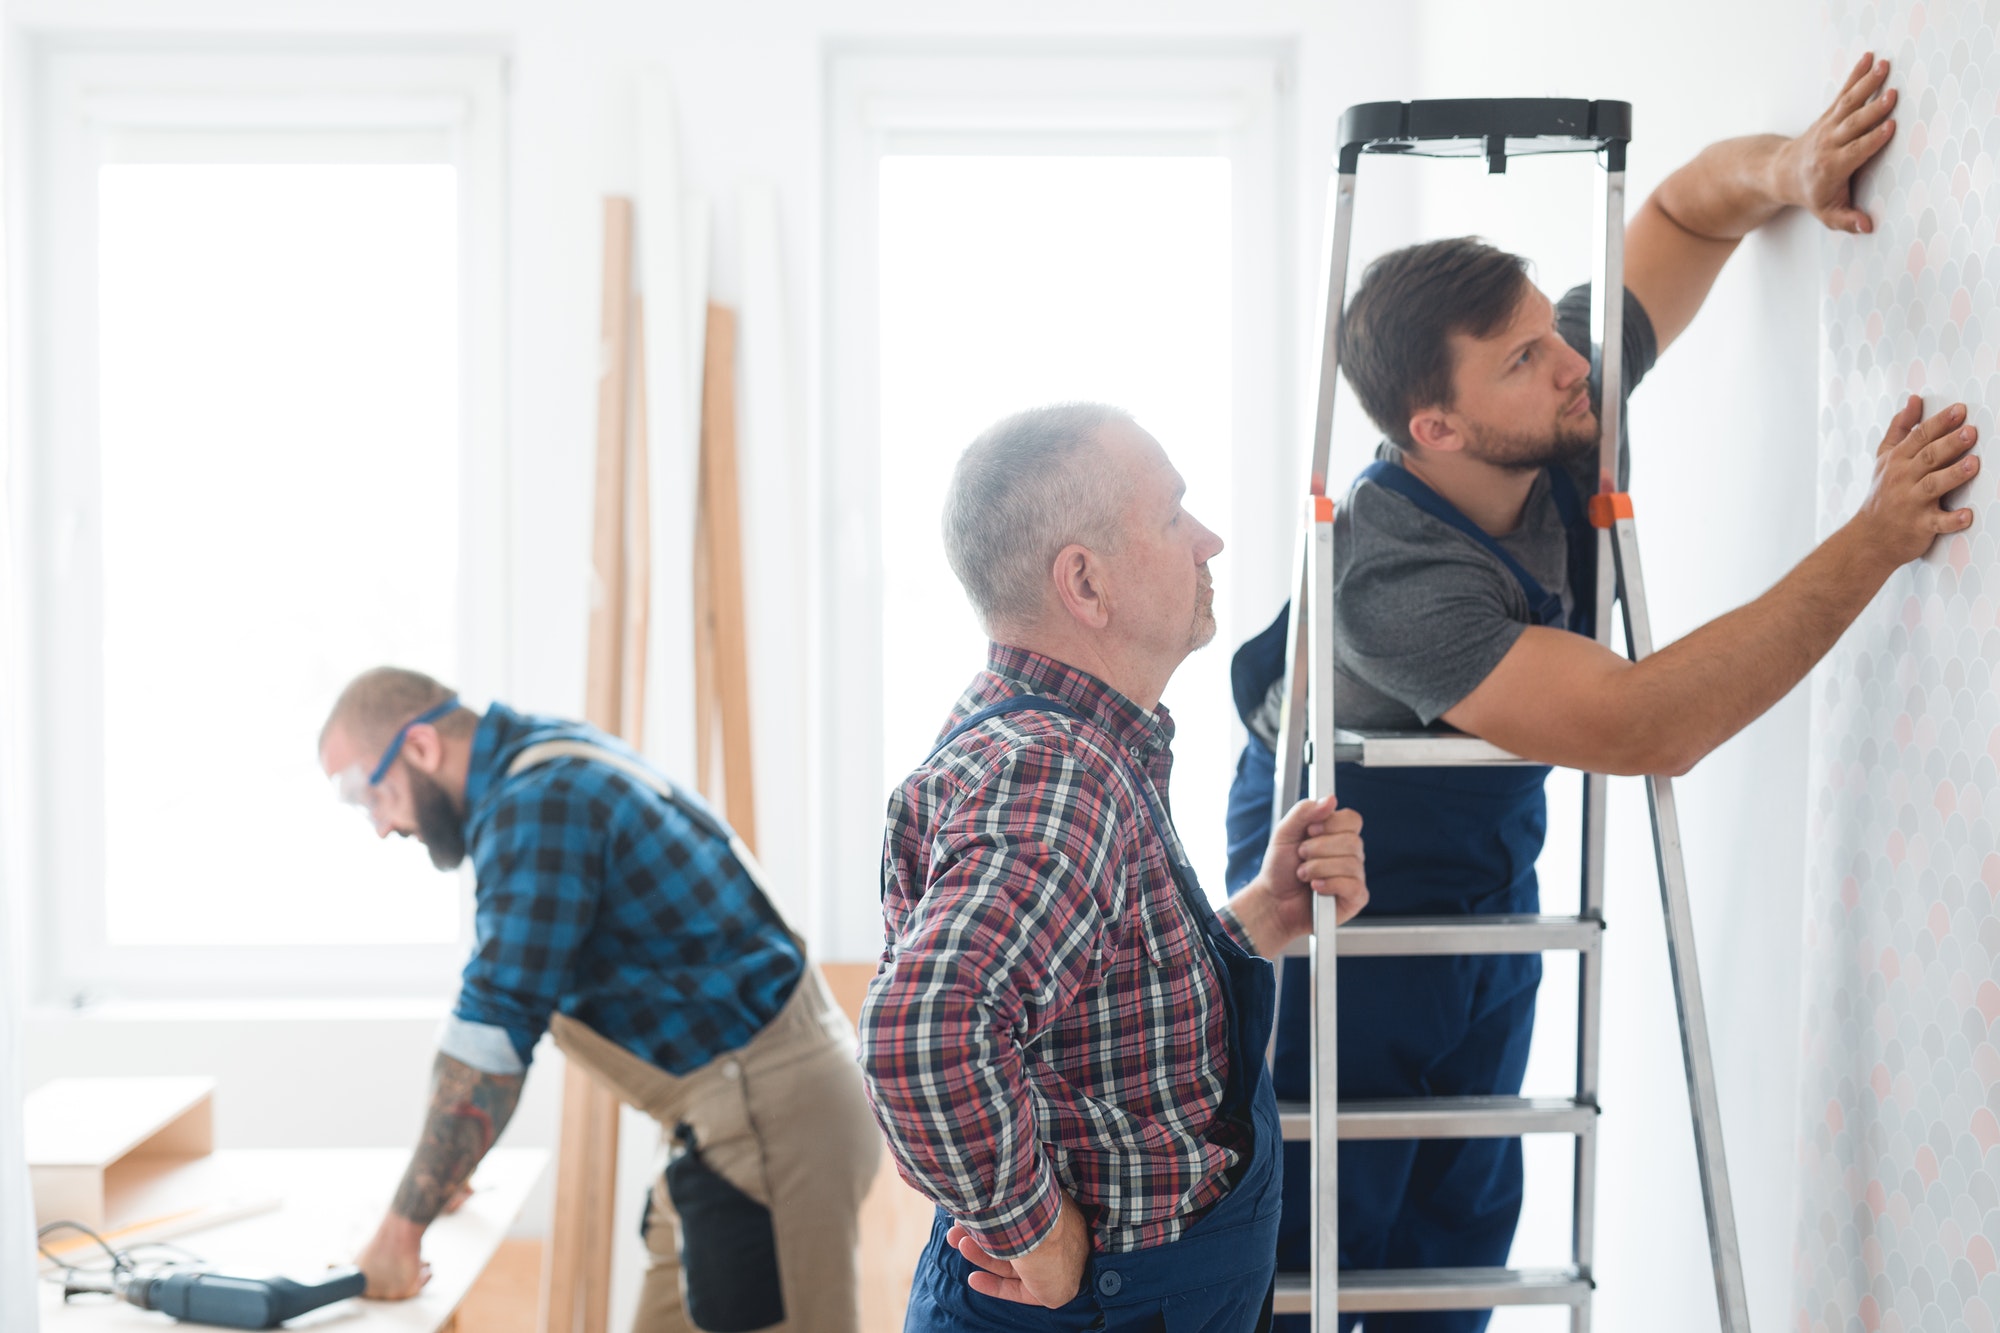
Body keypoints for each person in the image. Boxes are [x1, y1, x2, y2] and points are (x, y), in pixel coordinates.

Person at [1223, 55, 1976, 1331]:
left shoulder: (1556, 407)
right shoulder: (1393, 575)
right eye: (1522, 358)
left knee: (1460, 1223)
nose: (1570, 364)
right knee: (1316, 1237)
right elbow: (1641, 724)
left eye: (1549, 329)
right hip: (1345, 871)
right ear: (1435, 429)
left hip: (1482, 866)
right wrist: (1875, 536)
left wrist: (1787, 173)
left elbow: (1681, 213)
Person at [859, 403, 1369, 1333]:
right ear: (1085, 583)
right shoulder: (1056, 770)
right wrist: (1042, 1237)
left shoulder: (1056, 736)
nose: (1209, 539)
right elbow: (919, 1033)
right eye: (1175, 516)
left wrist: (1267, 909)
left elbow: (1099, 1015)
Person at [318, 668, 881, 1333]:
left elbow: (494, 1026)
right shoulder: (543, 762)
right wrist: (444, 1169)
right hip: (726, 1121)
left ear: (420, 746)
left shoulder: (537, 802)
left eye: (367, 794)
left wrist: (399, 1233)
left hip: (770, 1121)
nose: (381, 825)